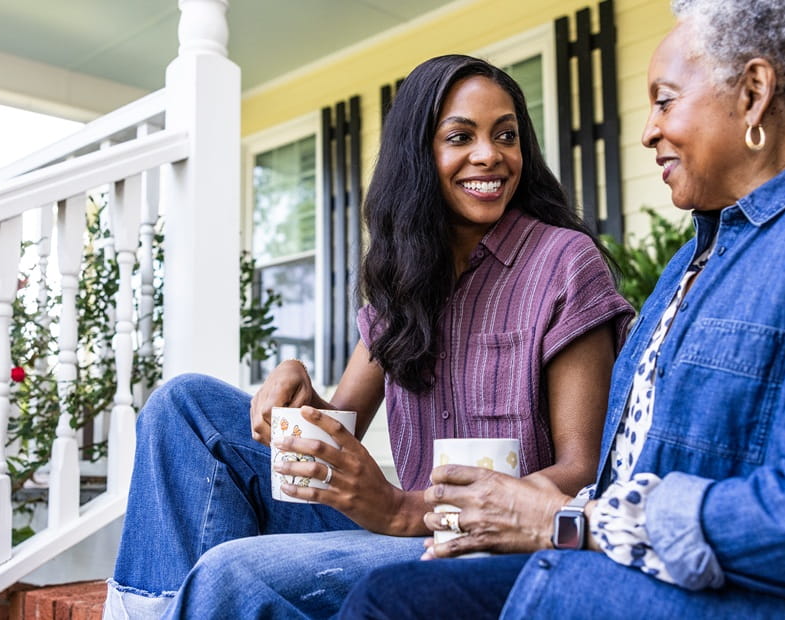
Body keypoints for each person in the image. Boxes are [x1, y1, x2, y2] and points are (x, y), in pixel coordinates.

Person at [339, 1, 785, 617]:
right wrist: (522, 508)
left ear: (754, 92)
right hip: (663, 581)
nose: (649, 130)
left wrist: (566, 521)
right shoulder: (691, 264)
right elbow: (637, 481)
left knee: (391, 603)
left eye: (665, 100)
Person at [103, 54, 634, 619]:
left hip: (489, 549)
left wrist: (406, 510)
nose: (490, 155)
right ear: (417, 155)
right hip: (396, 529)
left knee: (231, 570)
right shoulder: (403, 279)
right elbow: (339, 428)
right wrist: (297, 393)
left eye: (506, 136)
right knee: (183, 407)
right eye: (461, 136)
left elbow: (581, 473)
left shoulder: (561, 261)